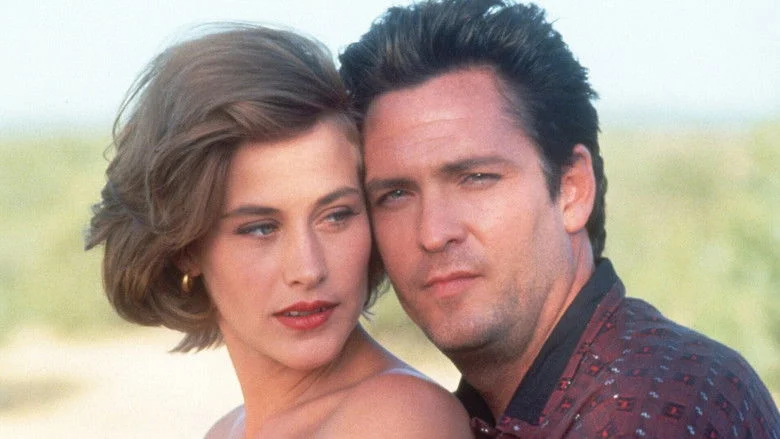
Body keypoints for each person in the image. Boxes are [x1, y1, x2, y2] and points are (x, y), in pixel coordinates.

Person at [339, 0, 780, 437]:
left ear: (572, 190)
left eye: (476, 178)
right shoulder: (479, 415)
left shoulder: (649, 410)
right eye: (395, 195)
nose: (433, 233)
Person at [85, 24, 472, 439]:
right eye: (261, 228)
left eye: (336, 216)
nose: (308, 269)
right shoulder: (225, 431)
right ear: (186, 248)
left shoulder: (400, 419)